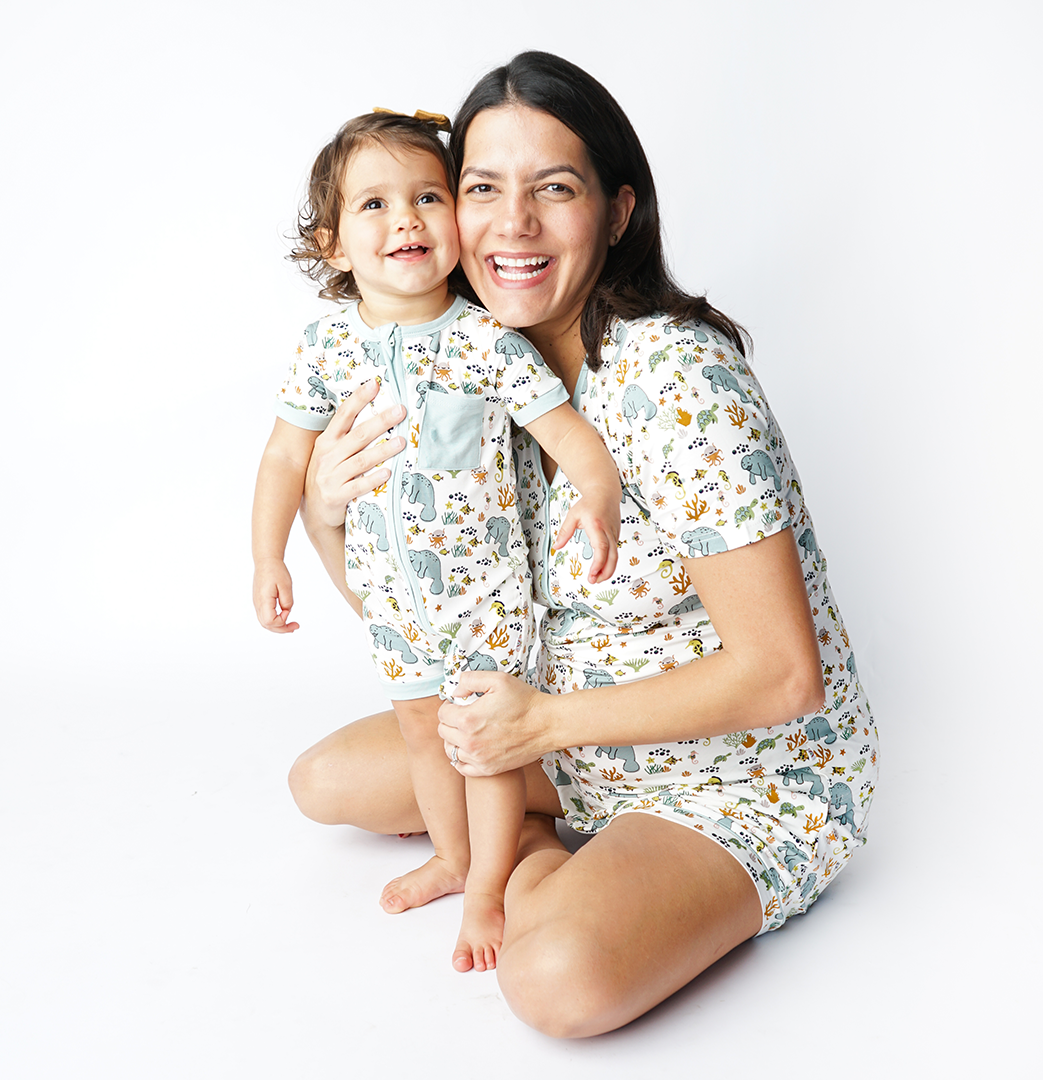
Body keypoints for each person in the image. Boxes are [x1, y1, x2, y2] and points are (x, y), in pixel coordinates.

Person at [290, 53, 879, 1037]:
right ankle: (540, 851)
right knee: (327, 782)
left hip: (731, 776)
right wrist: (323, 508)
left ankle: (539, 873)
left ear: (615, 213)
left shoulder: (676, 383)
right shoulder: (468, 367)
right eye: (481, 188)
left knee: (558, 982)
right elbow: (421, 614)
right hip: (569, 745)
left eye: (553, 189)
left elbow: (784, 676)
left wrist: (538, 730)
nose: (511, 224)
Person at [251, 110, 622, 972]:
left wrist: (596, 493)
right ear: (333, 242)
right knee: (422, 733)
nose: (407, 220)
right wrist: (268, 554)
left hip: (486, 605)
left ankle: (489, 882)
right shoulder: (325, 347)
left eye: (427, 196)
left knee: (482, 746)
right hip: (393, 608)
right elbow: (281, 459)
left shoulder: (486, 340)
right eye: (374, 205)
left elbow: (568, 434)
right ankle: (453, 857)